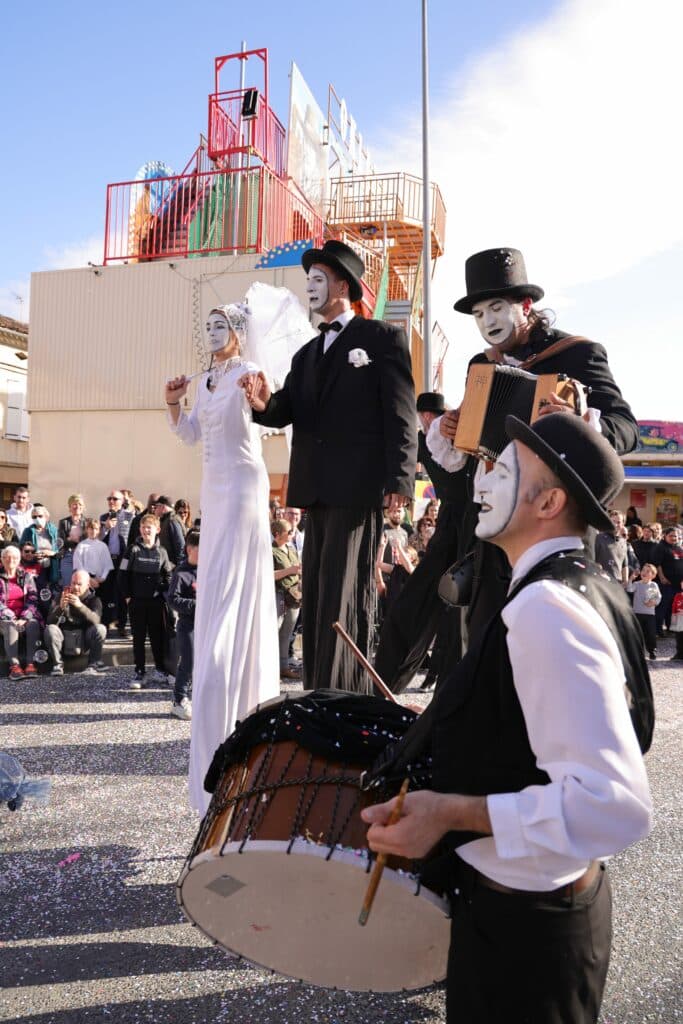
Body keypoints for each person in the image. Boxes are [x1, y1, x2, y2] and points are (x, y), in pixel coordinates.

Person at [362, 413, 653, 1024]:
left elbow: (613, 805)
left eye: (500, 467)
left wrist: (449, 812)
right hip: (530, 919)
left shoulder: (548, 607)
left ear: (548, 500)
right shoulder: (575, 585)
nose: (481, 480)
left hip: (528, 941)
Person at [428, 246, 639, 646]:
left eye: (495, 308)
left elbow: (626, 429)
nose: (487, 322)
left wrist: (582, 423)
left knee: (552, 636)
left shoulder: (578, 354)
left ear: (525, 306)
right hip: (498, 525)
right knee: (489, 637)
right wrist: (455, 428)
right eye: (478, 315)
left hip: (555, 518)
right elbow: (471, 447)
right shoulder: (481, 365)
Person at [240, 240, 418, 692]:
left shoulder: (380, 339)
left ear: (343, 285)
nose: (310, 287)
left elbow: (401, 412)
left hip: (358, 489)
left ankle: (345, 691)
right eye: (309, 280)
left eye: (319, 279)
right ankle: (318, 687)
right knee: (318, 593)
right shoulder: (306, 354)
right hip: (314, 491)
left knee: (346, 592)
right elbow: (286, 409)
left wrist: (401, 478)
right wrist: (261, 403)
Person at [165, 299, 280, 814]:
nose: (212, 332)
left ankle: (227, 681)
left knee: (235, 590)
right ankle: (214, 678)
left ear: (238, 332)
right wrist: (174, 403)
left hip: (243, 490)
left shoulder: (250, 372)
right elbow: (191, 433)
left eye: (221, 325)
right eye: (207, 325)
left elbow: (270, 414)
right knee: (213, 587)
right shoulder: (206, 378)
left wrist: (259, 399)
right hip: (213, 490)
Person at [374, 391, 469, 694]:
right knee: (421, 601)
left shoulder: (460, 435)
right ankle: (388, 678)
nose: (427, 422)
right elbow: (399, 452)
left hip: (467, 522)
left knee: (457, 609)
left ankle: (449, 679)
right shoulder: (419, 439)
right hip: (450, 524)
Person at [119, 513, 172, 688]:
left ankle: (160, 670)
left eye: (149, 527)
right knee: (139, 638)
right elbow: (122, 575)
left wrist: (163, 591)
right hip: (136, 603)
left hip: (156, 603)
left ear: (157, 529)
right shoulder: (132, 550)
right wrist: (128, 597)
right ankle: (139, 672)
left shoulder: (162, 552)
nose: (145, 530)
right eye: (143, 527)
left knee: (157, 637)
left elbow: (169, 576)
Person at [44, 570, 107, 676]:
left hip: (83, 640)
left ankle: (93, 664)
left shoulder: (94, 600)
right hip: (64, 639)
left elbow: (96, 620)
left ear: (87, 585)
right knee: (50, 629)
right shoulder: (61, 596)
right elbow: (50, 621)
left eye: (79, 584)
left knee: (100, 628)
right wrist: (61, 608)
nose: (76, 587)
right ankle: (58, 665)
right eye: (73, 583)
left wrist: (80, 606)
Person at [166, 529, 199, 721]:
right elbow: (172, 600)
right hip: (188, 625)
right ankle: (179, 700)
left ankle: (197, 697)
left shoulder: (208, 569)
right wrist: (196, 605)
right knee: (188, 661)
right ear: (190, 550)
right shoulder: (181, 573)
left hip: (206, 625)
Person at [0, 545, 43, 680]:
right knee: (10, 625)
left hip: (24, 615)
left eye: (15, 557)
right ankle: (15, 666)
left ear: (19, 560)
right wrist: (11, 616)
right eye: (7, 557)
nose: (11, 560)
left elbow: (33, 597)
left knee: (33, 623)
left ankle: (31, 664)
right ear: (2, 559)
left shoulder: (26, 576)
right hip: (4, 617)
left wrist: (24, 617)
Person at [99, 490, 135, 634]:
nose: (111, 501)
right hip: (107, 558)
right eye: (109, 498)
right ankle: (106, 623)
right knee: (106, 590)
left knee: (122, 590)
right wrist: (106, 528)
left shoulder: (129, 516)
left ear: (122, 501)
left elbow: (131, 537)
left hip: (123, 559)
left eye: (115, 499)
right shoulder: (103, 517)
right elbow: (98, 538)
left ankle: (121, 624)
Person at [272, 518, 302, 681]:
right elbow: (269, 574)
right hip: (279, 595)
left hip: (294, 596)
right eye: (288, 532)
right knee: (274, 633)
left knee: (287, 634)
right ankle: (271, 669)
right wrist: (291, 570)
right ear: (277, 534)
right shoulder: (271, 551)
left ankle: (283, 667)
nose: (291, 534)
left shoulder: (291, 549)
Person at [20, 505, 60, 586]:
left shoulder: (54, 531)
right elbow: (21, 548)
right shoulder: (28, 531)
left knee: (51, 589)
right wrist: (33, 554)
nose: (37, 518)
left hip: (52, 565)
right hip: (35, 565)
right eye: (34, 517)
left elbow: (60, 549)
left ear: (46, 517)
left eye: (40, 516)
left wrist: (52, 553)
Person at [73, 518, 114, 591]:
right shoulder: (81, 546)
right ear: (87, 529)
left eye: (96, 529)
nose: (93, 531)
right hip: (85, 582)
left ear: (99, 530)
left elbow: (108, 565)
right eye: (91, 528)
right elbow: (78, 565)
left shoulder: (103, 546)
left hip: (100, 581)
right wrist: (89, 579)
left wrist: (102, 578)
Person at [632, 563, 661, 660]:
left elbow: (658, 597)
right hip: (637, 613)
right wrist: (631, 579)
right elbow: (629, 589)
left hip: (649, 614)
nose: (644, 572)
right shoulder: (637, 584)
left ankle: (652, 651)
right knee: (638, 633)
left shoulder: (653, 585)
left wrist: (653, 602)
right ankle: (638, 652)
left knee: (650, 633)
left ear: (653, 575)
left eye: (648, 571)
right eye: (643, 570)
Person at [656, 526, 683, 630]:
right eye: (671, 536)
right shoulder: (661, 547)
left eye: (675, 536)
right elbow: (658, 564)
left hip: (678, 584)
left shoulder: (678, 547)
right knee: (663, 607)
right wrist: (662, 577)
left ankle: (670, 627)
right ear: (665, 536)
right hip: (666, 583)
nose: (673, 538)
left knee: (673, 608)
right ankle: (658, 629)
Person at [57, 493, 86, 587]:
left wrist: (74, 539)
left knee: (81, 584)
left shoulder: (88, 522)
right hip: (68, 555)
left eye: (80, 504)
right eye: (74, 504)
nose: (77, 506)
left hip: (83, 557)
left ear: (83, 507)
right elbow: (60, 542)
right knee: (68, 584)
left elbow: (89, 540)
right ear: (69, 507)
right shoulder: (63, 522)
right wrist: (74, 540)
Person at [595, 509, 629, 585]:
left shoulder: (623, 542)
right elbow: (592, 559)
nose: (616, 524)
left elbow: (624, 564)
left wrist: (625, 581)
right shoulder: (598, 538)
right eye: (613, 521)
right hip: (601, 582)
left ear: (623, 524)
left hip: (617, 583)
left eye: (619, 522)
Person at [154, 495, 185, 568]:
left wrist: (179, 568)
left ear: (163, 507)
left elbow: (180, 546)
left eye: (156, 506)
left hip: (173, 567)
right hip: (168, 565)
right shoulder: (165, 520)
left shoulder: (172, 521)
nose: (154, 509)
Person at [669, 580, 683, 661]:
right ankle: (679, 654)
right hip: (678, 619)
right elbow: (674, 605)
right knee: (679, 637)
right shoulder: (678, 595)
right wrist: (673, 614)